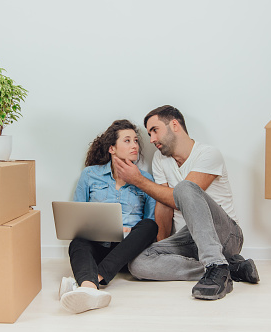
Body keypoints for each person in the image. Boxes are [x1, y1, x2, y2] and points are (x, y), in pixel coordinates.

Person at [113, 105, 259, 301]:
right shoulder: (160, 159)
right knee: (137, 263)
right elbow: (163, 204)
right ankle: (228, 268)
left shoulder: (208, 154)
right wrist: (160, 247)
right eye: (149, 134)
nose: (152, 139)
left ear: (174, 125)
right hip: (188, 238)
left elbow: (178, 198)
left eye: (155, 130)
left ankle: (217, 264)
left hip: (224, 234)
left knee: (184, 188)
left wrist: (137, 179)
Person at [59, 119, 158, 313]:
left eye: (136, 141)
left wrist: (129, 230)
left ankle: (91, 281)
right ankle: (89, 289)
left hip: (127, 251)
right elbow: (76, 217)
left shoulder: (146, 179)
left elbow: (151, 222)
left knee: (149, 226)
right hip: (97, 246)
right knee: (77, 242)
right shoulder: (89, 175)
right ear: (112, 148)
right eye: (127, 141)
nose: (134, 146)